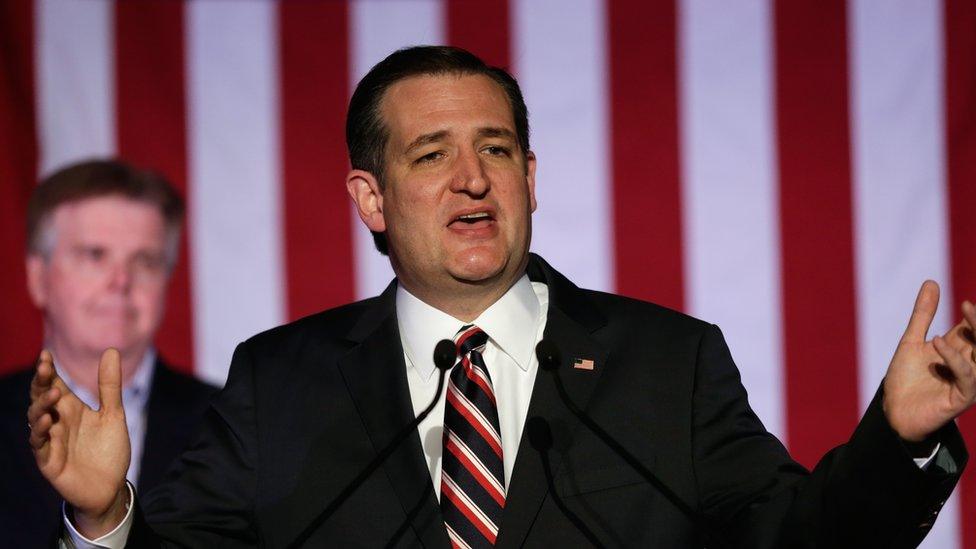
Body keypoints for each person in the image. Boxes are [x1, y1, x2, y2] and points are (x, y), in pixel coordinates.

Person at [28, 47, 974, 548]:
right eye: (431, 156)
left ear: (531, 176)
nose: (472, 180)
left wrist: (900, 439)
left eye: (496, 152)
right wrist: (107, 518)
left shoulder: (666, 362)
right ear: (371, 198)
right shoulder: (280, 379)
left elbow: (798, 541)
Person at [2, 159, 216, 548]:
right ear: (38, 279)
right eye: (95, 255)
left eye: (145, 261)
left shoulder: (228, 423)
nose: (120, 281)